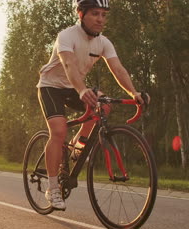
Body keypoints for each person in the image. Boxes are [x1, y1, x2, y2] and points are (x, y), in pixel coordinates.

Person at [37, 0, 149, 210]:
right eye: (95, 13)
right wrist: (82, 90)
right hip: (51, 86)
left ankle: (77, 147)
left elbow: (118, 69)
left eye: (104, 15)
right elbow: (69, 64)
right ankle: (52, 189)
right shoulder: (67, 36)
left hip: (75, 87)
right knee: (59, 131)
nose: (100, 19)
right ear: (81, 14)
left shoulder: (104, 43)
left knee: (104, 105)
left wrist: (133, 92)